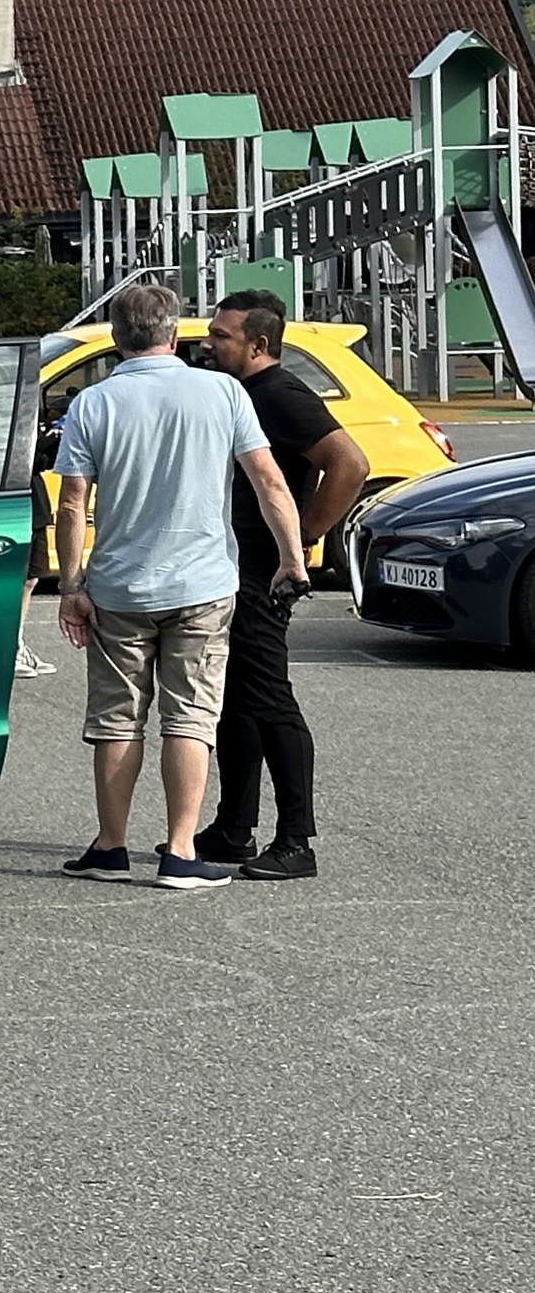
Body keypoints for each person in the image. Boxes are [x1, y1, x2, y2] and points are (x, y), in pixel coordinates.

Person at [51, 283, 309, 891]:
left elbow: (72, 503)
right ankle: (181, 850)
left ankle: (110, 846)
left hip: (119, 587)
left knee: (118, 719)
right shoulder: (223, 392)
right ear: (174, 334)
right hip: (202, 584)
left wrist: (71, 584)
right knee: (190, 718)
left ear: (117, 338)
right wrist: (292, 558)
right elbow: (269, 482)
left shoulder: (93, 403)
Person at [195, 289, 368, 880]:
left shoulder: (282, 394)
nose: (208, 343)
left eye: (221, 336)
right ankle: (233, 828)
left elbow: (350, 463)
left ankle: (296, 841)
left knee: (270, 701)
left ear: (258, 344)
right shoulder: (237, 391)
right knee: (235, 701)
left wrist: (307, 534)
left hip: (261, 572)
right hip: (230, 563)